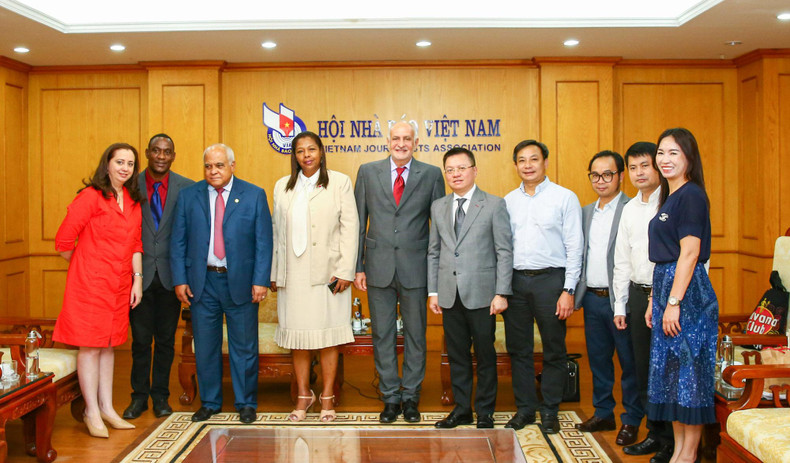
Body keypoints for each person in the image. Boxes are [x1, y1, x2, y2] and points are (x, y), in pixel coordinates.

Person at [170, 143, 273, 424]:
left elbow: (264, 242)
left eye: (219, 165)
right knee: (205, 347)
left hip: (241, 282)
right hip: (202, 283)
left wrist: (260, 280)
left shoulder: (253, 195)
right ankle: (210, 402)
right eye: (208, 166)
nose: (213, 171)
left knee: (244, 347)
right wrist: (180, 279)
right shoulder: (189, 196)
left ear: (232, 166)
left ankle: (246, 403)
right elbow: (178, 241)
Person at [353, 121, 445, 423]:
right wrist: (358, 267)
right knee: (382, 334)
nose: (401, 143)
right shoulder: (368, 172)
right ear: (388, 141)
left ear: (416, 142)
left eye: (407, 138)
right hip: (377, 267)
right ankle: (390, 397)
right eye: (396, 138)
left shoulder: (431, 174)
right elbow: (359, 223)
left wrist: (435, 274)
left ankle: (411, 397)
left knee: (416, 335)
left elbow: (438, 228)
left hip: (416, 268)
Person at [53, 142, 145, 438]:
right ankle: (91, 411)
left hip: (120, 286)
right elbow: (63, 242)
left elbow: (136, 243)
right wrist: (88, 265)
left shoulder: (132, 200)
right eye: (120, 162)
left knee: (108, 345)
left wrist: (138, 280)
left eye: (130, 163)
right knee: (90, 346)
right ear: (107, 164)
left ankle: (107, 408)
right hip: (89, 287)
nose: (125, 168)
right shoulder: (91, 197)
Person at [270, 131, 358, 422]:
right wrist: (274, 272)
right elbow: (276, 233)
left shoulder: (339, 182)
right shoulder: (282, 186)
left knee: (328, 337)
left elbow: (350, 228)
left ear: (321, 152)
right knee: (299, 339)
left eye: (311, 149)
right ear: (294, 156)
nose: (306, 155)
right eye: (300, 151)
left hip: (329, 274)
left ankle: (328, 396)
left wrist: (345, 271)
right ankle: (303, 395)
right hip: (292, 274)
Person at [646, 128, 718, 463]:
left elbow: (689, 253)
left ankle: (688, 456)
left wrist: (673, 302)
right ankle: (678, 452)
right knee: (671, 378)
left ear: (689, 157)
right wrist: (654, 300)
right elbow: (663, 257)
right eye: (661, 152)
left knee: (691, 377)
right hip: (666, 289)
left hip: (687, 296)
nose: (665, 159)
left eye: (673, 152)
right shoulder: (669, 195)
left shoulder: (692, 195)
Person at [427, 147, 513, 429]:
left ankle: (485, 411)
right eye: (450, 170)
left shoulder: (494, 205)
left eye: (461, 168)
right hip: (449, 293)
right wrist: (433, 291)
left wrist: (502, 292)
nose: (456, 174)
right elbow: (434, 252)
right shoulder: (438, 206)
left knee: (485, 355)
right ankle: (462, 409)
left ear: (474, 170)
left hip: (483, 295)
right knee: (457, 356)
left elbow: (504, 251)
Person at [502, 139, 583, 434]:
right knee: (519, 349)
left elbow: (575, 247)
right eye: (522, 160)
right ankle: (525, 408)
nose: (528, 165)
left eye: (533, 159)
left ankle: (550, 409)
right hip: (515, 282)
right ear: (515, 165)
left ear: (545, 162)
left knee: (553, 349)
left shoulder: (565, 197)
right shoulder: (508, 201)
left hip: (552, 281)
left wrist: (568, 290)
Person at [574, 150, 643, 444]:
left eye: (607, 174)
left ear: (620, 176)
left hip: (621, 300)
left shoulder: (632, 208)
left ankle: (632, 419)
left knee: (629, 363)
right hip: (592, 298)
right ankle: (603, 413)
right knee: (599, 361)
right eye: (595, 175)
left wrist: (622, 301)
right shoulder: (586, 212)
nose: (600, 180)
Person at [123, 134, 194, 420]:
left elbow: (190, 234)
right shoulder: (129, 185)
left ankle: (161, 397)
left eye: (166, 152)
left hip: (170, 277)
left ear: (173, 155)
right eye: (156, 151)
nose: (161, 156)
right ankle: (138, 398)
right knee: (140, 341)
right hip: (137, 278)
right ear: (147, 153)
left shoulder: (186, 188)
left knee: (165, 341)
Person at [613, 142, 675, 462]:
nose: (639, 173)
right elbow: (622, 260)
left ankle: (672, 441)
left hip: (669, 296)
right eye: (633, 167)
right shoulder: (629, 208)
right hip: (638, 296)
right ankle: (655, 433)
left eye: (645, 165)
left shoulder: (674, 203)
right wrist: (620, 305)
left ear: (658, 167)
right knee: (643, 369)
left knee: (668, 371)